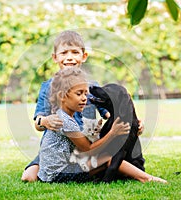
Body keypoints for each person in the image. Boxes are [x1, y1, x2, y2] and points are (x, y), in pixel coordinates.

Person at [21, 30, 144, 182]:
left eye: (75, 52)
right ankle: (85, 169)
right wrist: (45, 121)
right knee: (29, 177)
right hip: (59, 150)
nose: (69, 57)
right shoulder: (48, 87)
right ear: (55, 57)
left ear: (83, 56)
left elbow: (109, 113)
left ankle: (131, 173)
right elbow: (38, 122)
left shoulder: (91, 87)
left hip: (86, 145)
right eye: (64, 53)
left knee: (104, 159)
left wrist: (133, 124)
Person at [37, 67, 167, 183]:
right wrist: (112, 133)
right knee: (109, 158)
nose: (84, 98)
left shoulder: (63, 116)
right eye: (79, 93)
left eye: (85, 93)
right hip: (60, 174)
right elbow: (88, 149)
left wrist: (133, 122)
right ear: (62, 96)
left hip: (49, 173)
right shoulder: (64, 121)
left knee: (102, 159)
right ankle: (146, 178)